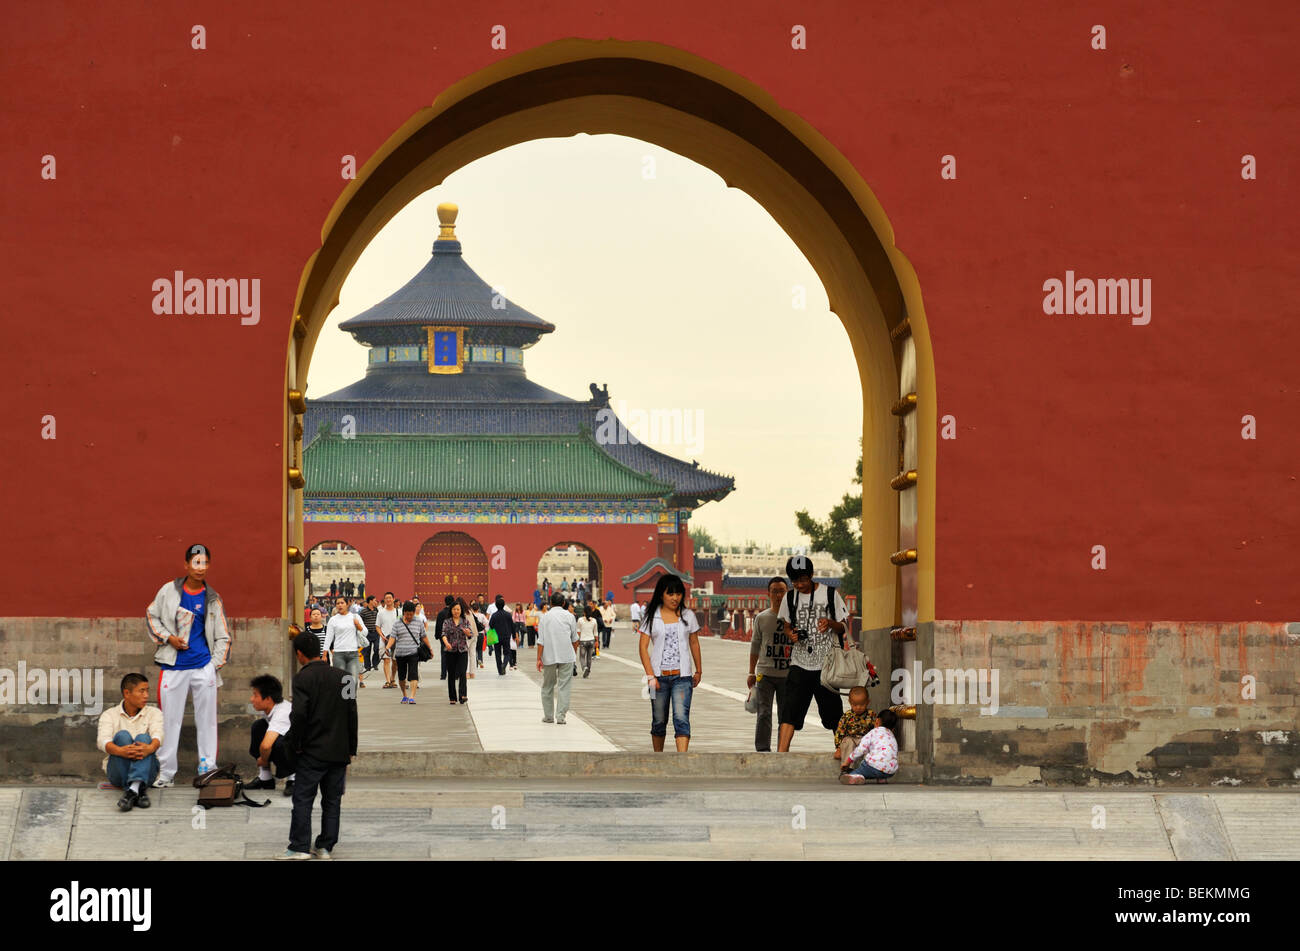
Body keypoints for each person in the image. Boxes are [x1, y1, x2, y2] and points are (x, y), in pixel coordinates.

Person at [145, 543, 231, 787]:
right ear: (186, 565)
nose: (200, 567)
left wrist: (212, 666)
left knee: (207, 721)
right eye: (195, 562)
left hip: (202, 666)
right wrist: (167, 638)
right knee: (169, 720)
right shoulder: (169, 591)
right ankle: (166, 772)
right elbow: (151, 616)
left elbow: (223, 635)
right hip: (173, 667)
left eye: (204, 562)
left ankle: (208, 769)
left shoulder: (212, 598)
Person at [279, 631, 358, 860]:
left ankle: (299, 847)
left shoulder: (302, 679)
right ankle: (325, 847)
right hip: (339, 751)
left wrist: (295, 744)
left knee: (303, 799)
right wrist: (351, 748)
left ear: (300, 654)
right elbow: (352, 714)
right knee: (332, 800)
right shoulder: (345, 678)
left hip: (312, 751)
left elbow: (299, 715)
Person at [776, 555, 852, 753]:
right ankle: (781, 754)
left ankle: (842, 752)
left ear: (811, 576)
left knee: (833, 712)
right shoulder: (790, 597)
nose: (798, 585)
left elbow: (843, 626)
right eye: (794, 581)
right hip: (799, 663)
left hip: (826, 664)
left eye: (802, 580)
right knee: (789, 711)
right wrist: (790, 634)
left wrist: (829, 623)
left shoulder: (830, 594)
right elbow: (785, 625)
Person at [638, 574, 701, 752]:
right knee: (658, 720)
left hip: (683, 677)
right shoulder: (651, 616)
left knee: (681, 718)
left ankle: (681, 761)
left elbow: (694, 643)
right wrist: (650, 676)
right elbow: (642, 648)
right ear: (661, 594)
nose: (675, 598)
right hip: (656, 677)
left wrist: (699, 671)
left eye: (679, 594)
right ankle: (659, 758)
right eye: (670, 594)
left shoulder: (688, 615)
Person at [97, 672, 164, 811]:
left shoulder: (154, 713)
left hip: (148, 773)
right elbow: (102, 741)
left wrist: (150, 748)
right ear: (127, 693)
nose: (146, 695)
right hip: (117, 774)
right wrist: (121, 751)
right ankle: (139, 791)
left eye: (147, 691)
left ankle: (132, 790)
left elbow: (158, 735)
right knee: (122, 736)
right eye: (141, 691)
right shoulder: (109, 714)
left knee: (144, 739)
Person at [747, 576, 792, 752]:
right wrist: (751, 672)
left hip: (787, 675)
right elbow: (755, 645)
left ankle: (782, 749)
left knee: (785, 716)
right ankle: (763, 749)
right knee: (763, 713)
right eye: (774, 591)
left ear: (787, 593)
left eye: (781, 591)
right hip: (764, 673)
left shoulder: (794, 618)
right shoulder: (762, 618)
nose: (778, 595)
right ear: (768, 594)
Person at [246, 674, 295, 796]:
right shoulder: (269, 708)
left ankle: (294, 779)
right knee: (258, 726)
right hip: (289, 741)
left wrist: (263, 759)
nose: (251, 699)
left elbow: (266, 746)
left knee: (279, 744)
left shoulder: (282, 712)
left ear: (268, 699)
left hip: (302, 750)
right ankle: (265, 779)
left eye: (255, 695)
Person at [536, 592, 578, 724]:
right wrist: (573, 653)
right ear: (564, 603)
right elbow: (575, 639)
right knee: (564, 686)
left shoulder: (545, 617)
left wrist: (538, 658)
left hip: (549, 655)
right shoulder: (570, 617)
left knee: (547, 686)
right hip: (567, 656)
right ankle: (561, 716)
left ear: (550, 603)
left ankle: (548, 716)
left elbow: (541, 641)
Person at [385, 599, 431, 704]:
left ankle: (412, 697)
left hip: (413, 653)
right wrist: (387, 647)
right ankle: (405, 695)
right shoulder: (397, 623)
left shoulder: (419, 622)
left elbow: (424, 637)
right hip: (400, 654)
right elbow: (392, 637)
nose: (409, 616)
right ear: (403, 613)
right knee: (401, 677)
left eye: (411, 614)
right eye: (407, 614)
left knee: (414, 675)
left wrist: (430, 648)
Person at [839, 709, 900, 784]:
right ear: (893, 729)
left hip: (873, 767)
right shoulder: (892, 736)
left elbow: (860, 750)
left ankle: (857, 776)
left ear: (877, 721)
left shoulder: (873, 732)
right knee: (880, 762)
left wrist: (848, 762)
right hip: (890, 771)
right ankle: (881, 778)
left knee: (854, 772)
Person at [323, 596, 367, 687]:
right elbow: (328, 637)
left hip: (353, 653)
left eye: (342, 603)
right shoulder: (333, 620)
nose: (340, 605)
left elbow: (365, 632)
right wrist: (324, 654)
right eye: (338, 603)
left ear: (347, 604)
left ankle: (350, 700)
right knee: (341, 680)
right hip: (339, 654)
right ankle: (342, 700)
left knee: (353, 680)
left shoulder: (355, 617)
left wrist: (358, 625)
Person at [441, 598, 474, 704]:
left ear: (461, 611)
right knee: (451, 674)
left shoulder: (465, 621)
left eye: (458, 609)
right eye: (454, 609)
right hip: (450, 651)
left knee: (462, 673)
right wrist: (446, 644)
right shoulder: (447, 622)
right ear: (451, 610)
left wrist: (468, 633)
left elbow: (471, 634)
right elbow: (443, 634)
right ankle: (452, 697)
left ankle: (463, 695)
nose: (456, 611)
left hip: (462, 650)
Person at [834, 686, 876, 761]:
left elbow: (876, 730)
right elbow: (840, 732)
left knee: (870, 743)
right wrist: (838, 748)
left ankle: (868, 766)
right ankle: (846, 768)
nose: (858, 707)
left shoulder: (871, 715)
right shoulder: (847, 716)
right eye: (855, 705)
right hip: (851, 740)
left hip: (864, 740)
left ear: (867, 702)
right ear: (850, 702)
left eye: (862, 705)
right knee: (848, 741)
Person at [376, 592, 399, 688]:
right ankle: (388, 681)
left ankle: (393, 678)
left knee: (395, 661)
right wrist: (382, 635)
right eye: (386, 598)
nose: (388, 600)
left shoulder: (399, 612)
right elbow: (377, 626)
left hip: (396, 640)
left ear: (393, 599)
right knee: (386, 660)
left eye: (390, 598)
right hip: (384, 639)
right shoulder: (380, 612)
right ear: (384, 600)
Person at [487, 595, 513, 675]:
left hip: (496, 637)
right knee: (507, 653)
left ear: (496, 606)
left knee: (497, 654)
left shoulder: (494, 615)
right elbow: (512, 625)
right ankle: (504, 665)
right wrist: (514, 636)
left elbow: (490, 625)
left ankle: (500, 671)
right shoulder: (508, 615)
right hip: (506, 636)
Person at [359, 594, 380, 676]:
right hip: (367, 634)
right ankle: (367, 666)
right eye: (375, 600)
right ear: (370, 601)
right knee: (367, 650)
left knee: (376, 648)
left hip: (376, 633)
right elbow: (360, 622)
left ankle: (375, 664)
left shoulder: (376, 610)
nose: (376, 602)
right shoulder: (363, 611)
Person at [576, 605, 598, 678]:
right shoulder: (594, 620)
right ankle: (587, 672)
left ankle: (584, 668)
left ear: (584, 612)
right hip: (591, 640)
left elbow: (578, 631)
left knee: (582, 657)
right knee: (589, 658)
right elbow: (596, 632)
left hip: (583, 641)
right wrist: (597, 641)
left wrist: (578, 640)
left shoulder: (580, 620)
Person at [511, 603, 525, 669]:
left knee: (522, 634)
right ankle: (517, 644)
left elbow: (524, 618)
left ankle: (521, 644)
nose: (517, 607)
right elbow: (513, 618)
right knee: (517, 634)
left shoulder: (523, 611)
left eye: (518, 605)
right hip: (516, 623)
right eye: (516, 606)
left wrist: (525, 624)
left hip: (521, 623)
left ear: (520, 606)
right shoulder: (514, 612)